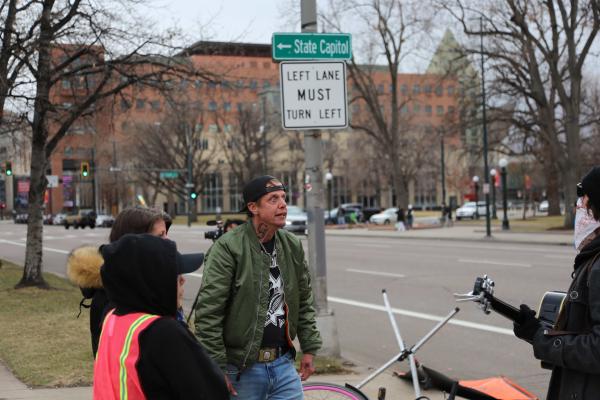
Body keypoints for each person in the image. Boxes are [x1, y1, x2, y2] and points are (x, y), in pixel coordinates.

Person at [194, 175, 322, 400]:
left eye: (283, 198)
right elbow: (209, 313)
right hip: (241, 370)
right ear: (253, 207)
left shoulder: (291, 244)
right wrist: (216, 366)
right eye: (273, 199)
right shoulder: (228, 248)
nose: (283, 205)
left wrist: (310, 347)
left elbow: (303, 300)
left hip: (283, 365)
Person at [93, 233, 229, 399]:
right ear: (152, 281)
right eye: (174, 273)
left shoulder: (112, 317)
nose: (183, 280)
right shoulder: (163, 332)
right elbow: (210, 392)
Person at [513, 166, 600, 399]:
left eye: (585, 202)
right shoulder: (592, 259)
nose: (580, 209)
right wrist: (536, 330)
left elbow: (596, 350)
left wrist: (541, 338)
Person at [67, 206, 200, 356]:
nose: (168, 241)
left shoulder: (148, 288)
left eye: (166, 234)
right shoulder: (116, 301)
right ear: (136, 243)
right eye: (161, 235)